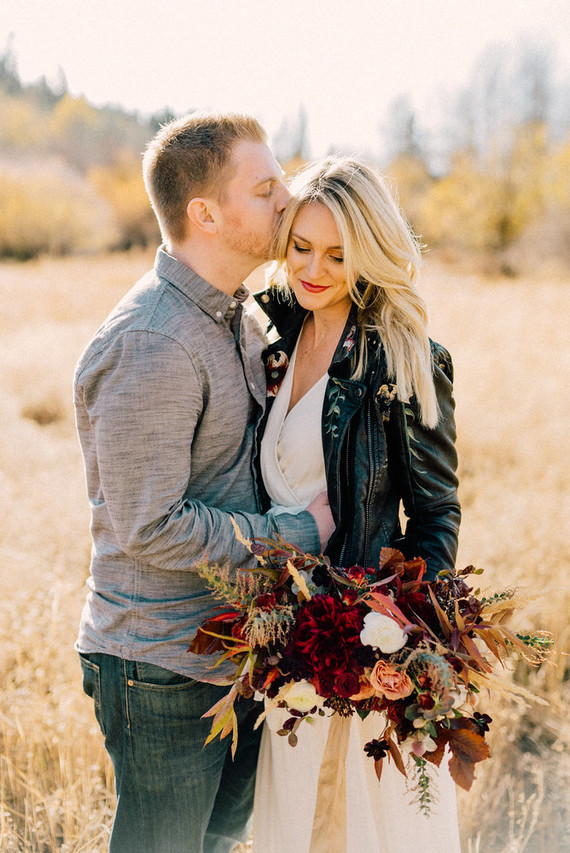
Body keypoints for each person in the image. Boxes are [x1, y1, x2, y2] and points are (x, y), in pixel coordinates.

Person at [73, 112, 334, 853]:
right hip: (160, 664)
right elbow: (149, 524)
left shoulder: (236, 316)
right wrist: (298, 532)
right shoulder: (153, 341)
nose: (287, 199)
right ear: (206, 214)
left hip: (231, 646)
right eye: (266, 187)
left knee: (217, 843)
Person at [251, 156, 462, 852]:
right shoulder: (273, 333)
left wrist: (401, 632)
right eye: (301, 247)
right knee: (294, 820)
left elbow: (435, 512)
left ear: (369, 253)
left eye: (339, 255)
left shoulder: (401, 357)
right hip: (280, 641)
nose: (313, 269)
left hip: (359, 642)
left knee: (355, 826)